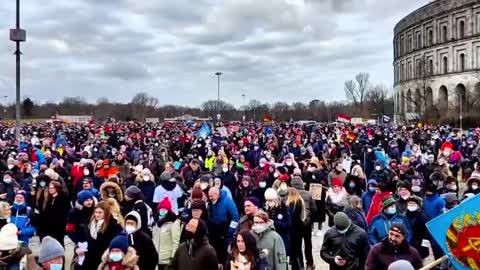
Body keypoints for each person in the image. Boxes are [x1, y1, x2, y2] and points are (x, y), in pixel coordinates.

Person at [80, 201, 123, 269]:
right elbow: (82, 240)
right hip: (89, 261)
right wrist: (77, 248)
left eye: (100, 212)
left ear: (106, 213)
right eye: (96, 212)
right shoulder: (89, 224)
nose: (97, 215)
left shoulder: (114, 227)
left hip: (105, 261)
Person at [207, 187, 240, 265]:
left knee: (223, 254)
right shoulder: (210, 202)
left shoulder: (227, 201)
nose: (210, 198)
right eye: (209, 196)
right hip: (213, 232)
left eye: (211, 196)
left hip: (225, 232)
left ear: (217, 194)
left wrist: (230, 230)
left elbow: (235, 216)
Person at [290, 176, 317, 270]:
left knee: (297, 245)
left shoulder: (290, 194)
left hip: (295, 224)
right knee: (308, 244)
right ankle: (310, 263)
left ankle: (298, 263)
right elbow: (314, 209)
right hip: (306, 223)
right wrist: (311, 221)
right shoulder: (308, 194)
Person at [153, 197, 181, 270]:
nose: (162, 211)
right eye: (161, 209)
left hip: (167, 260)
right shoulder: (157, 223)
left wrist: (173, 258)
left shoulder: (173, 223)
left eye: (164, 210)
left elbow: (175, 242)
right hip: (156, 259)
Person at [38, 181, 70, 246]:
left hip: (59, 226)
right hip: (49, 226)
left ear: (57, 188)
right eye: (49, 188)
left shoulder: (63, 198)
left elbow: (65, 212)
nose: (50, 190)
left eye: (52, 188)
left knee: (59, 243)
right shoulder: (49, 198)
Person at [264, 188, 290, 255]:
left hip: (281, 236)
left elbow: (287, 225)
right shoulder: (268, 208)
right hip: (271, 237)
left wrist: (275, 222)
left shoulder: (283, 208)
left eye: (270, 200)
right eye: (267, 200)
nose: (268, 202)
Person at [285, 188, 306, 270]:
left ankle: (296, 266)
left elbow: (290, 219)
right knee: (299, 248)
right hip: (299, 227)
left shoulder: (291, 203)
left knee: (293, 250)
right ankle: (301, 265)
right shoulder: (300, 202)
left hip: (293, 229)